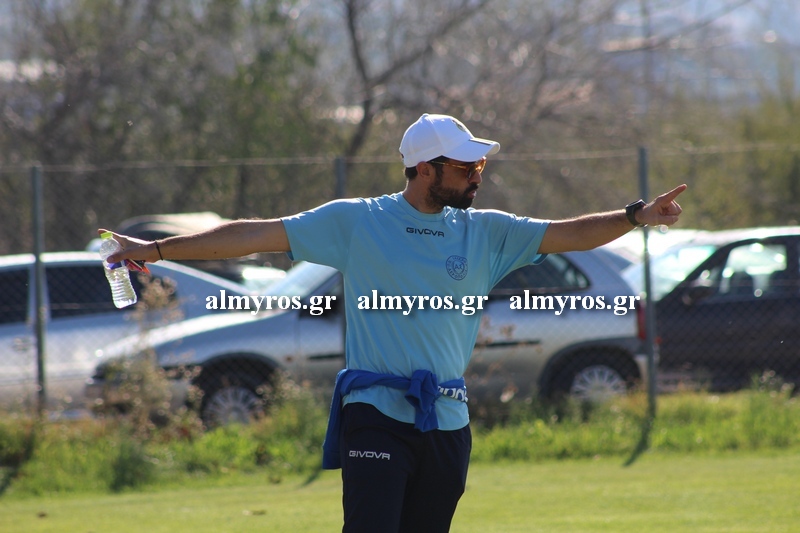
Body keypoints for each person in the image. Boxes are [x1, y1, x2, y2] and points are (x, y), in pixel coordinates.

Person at [101, 113, 686, 532]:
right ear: (426, 169)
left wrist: (636, 215)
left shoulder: (485, 231)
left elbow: (571, 233)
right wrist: (154, 251)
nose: (478, 175)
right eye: (467, 166)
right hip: (376, 416)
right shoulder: (358, 221)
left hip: (448, 420)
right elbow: (252, 236)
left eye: (480, 164)